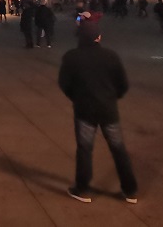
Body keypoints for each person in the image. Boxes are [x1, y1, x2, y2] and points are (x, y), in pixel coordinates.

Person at [58, 21, 138, 204]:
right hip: (108, 109)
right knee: (118, 149)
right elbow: (123, 84)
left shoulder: (72, 57)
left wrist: (76, 97)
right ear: (98, 37)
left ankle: (83, 188)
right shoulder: (111, 56)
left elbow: (64, 83)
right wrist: (112, 97)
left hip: (84, 110)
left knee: (85, 149)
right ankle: (130, 190)